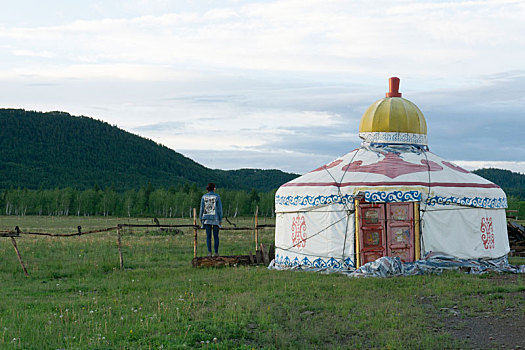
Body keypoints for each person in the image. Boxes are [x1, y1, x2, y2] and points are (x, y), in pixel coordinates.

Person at [199, 182, 223, 257]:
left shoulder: (204, 197)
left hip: (206, 219)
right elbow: (219, 209)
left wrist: (201, 219)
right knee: (216, 236)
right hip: (215, 219)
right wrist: (220, 219)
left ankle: (209, 252)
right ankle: (216, 252)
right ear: (214, 188)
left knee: (208, 237)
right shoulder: (217, 197)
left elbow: (201, 209)